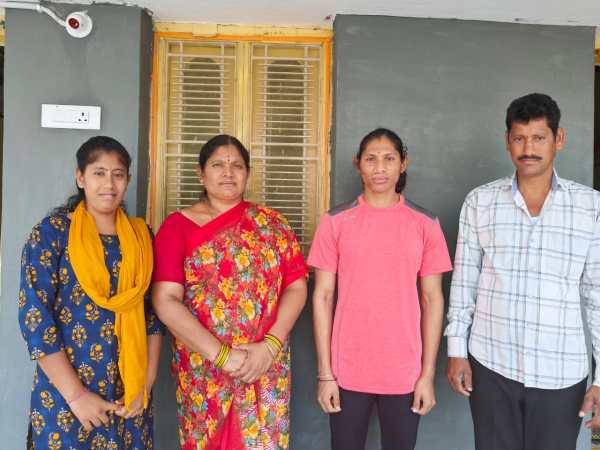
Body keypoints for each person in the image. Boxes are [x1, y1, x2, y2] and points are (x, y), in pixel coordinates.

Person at [446, 93, 600, 450]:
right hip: (491, 364)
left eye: (538, 138)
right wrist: (456, 349)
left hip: (561, 372)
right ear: (507, 141)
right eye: (519, 137)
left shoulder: (590, 207)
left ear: (558, 139)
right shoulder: (480, 202)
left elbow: (597, 296)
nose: (527, 148)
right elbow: (465, 281)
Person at [152, 134, 308, 450]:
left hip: (265, 364)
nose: (228, 172)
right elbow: (165, 300)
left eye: (237, 165)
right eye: (218, 165)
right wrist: (222, 355)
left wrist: (270, 345)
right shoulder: (177, 227)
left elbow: (296, 286)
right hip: (205, 369)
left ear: (247, 173)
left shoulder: (272, 224)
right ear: (201, 173)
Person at [308, 128, 452, 450]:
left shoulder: (425, 224)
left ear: (403, 164)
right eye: (371, 159)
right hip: (346, 370)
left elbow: (432, 299)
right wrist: (325, 374)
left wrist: (427, 375)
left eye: (389, 159)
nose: (379, 168)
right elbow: (323, 296)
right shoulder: (335, 221)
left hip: (404, 371)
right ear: (358, 164)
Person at [18, 136, 163, 449]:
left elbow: (151, 317)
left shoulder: (141, 238)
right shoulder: (53, 232)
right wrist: (77, 396)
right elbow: (34, 319)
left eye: (118, 174)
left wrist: (144, 388)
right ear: (80, 177)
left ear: (127, 180)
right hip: (67, 400)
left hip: (130, 400)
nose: (109, 184)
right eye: (99, 173)